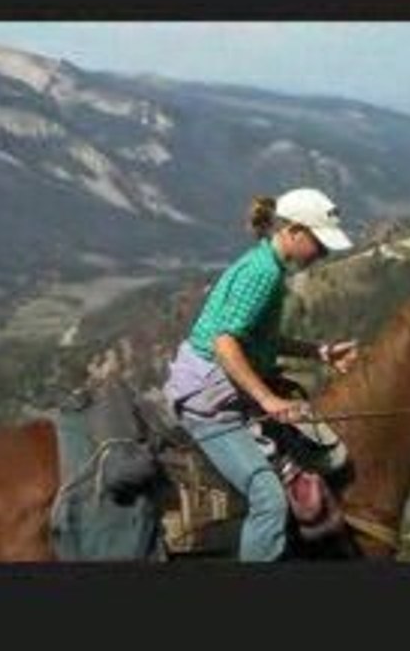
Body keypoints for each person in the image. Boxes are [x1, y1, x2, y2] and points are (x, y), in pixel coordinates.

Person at [162, 187, 359, 561]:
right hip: (209, 403)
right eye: (319, 242)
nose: (323, 253)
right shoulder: (264, 274)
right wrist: (269, 400)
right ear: (295, 231)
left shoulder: (266, 264)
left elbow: (260, 337)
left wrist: (319, 352)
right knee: (269, 499)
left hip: (218, 390)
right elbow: (225, 344)